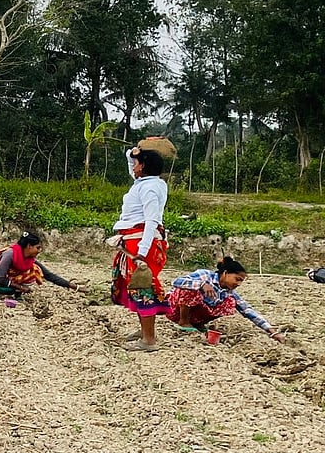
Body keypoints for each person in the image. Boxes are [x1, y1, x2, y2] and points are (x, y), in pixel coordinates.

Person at [110, 146, 169, 352]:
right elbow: (131, 167)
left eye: (136, 164)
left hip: (142, 242)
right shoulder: (145, 183)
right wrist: (131, 154)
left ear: (143, 166)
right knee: (136, 286)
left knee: (143, 287)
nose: (132, 167)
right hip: (135, 240)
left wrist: (142, 253)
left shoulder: (149, 188)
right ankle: (145, 332)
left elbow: (151, 220)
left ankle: (149, 339)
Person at [164, 257, 285, 343]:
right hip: (173, 310)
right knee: (189, 289)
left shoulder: (228, 292)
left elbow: (248, 310)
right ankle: (183, 321)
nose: (239, 284)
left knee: (230, 302)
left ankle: (197, 324)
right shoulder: (205, 275)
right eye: (237, 279)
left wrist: (272, 331)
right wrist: (200, 284)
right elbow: (176, 282)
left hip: (194, 316)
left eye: (241, 281)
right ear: (225, 273)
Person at [0, 231, 82, 298]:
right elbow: (0, 277)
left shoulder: (29, 259)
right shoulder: (10, 254)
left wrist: (73, 286)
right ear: (29, 246)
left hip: (8, 281)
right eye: (37, 247)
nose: (39, 250)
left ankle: (13, 291)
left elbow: (49, 275)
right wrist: (20, 287)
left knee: (35, 269)